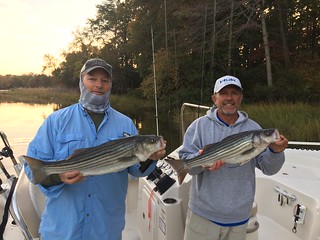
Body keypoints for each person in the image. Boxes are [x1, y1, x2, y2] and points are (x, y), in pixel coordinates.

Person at [24, 58, 166, 240]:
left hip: (106, 230)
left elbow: (135, 171)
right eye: (92, 79)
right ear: (81, 80)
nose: (99, 85)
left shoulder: (126, 124)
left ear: (110, 85)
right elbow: (32, 169)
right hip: (62, 230)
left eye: (105, 81)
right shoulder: (56, 121)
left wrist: (150, 157)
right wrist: (57, 177)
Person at [179, 75, 288, 240]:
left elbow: (269, 169)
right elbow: (190, 165)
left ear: (241, 98)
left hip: (239, 217)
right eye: (223, 93)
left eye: (234, 93)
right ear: (214, 99)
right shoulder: (199, 126)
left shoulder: (254, 128)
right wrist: (202, 162)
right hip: (203, 215)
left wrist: (276, 152)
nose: (229, 98)